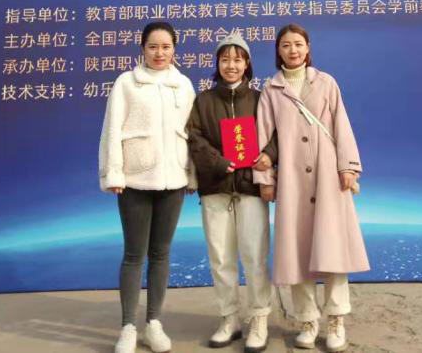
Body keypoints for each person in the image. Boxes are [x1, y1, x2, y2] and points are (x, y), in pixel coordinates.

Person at [253, 24, 369, 352]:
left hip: (328, 176)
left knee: (333, 250)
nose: (293, 50)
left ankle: (336, 319)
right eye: (286, 45)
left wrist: (348, 167)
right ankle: (307, 319)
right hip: (292, 181)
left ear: (308, 48)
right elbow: (263, 136)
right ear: (278, 51)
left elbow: (341, 124)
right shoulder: (271, 89)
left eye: (298, 44)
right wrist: (265, 180)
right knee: (297, 252)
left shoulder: (326, 82)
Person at [98, 21, 197, 353]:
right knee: (133, 255)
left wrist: (192, 175)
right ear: (142, 48)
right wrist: (114, 173)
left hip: (173, 181)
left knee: (161, 254)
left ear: (175, 50)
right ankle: (128, 326)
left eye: (166, 47)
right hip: (135, 181)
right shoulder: (126, 83)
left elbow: (192, 134)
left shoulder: (183, 85)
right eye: (153, 46)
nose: (159, 53)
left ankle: (154, 323)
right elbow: (112, 129)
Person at [187, 32, 271, 352]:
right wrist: (220, 163)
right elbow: (194, 137)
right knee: (220, 257)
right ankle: (229, 318)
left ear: (247, 64)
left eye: (237, 59)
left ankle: (259, 318)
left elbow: (276, 135)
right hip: (215, 189)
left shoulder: (261, 99)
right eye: (225, 59)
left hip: (250, 189)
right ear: (217, 63)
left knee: (254, 256)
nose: (231, 65)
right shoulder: (204, 101)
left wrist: (267, 157)